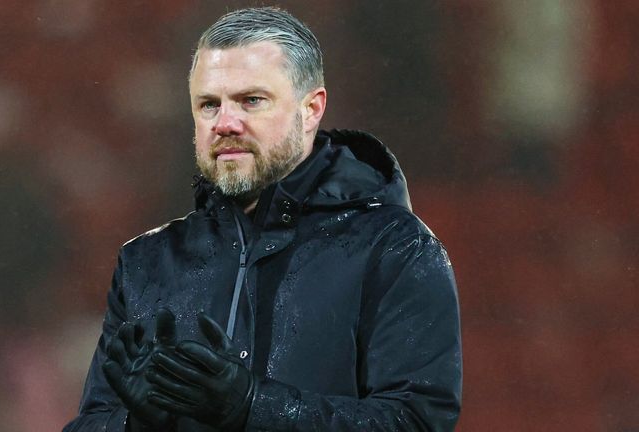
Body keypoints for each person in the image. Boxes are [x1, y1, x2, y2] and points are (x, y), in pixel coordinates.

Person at [63, 6, 462, 432]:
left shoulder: (394, 247)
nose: (225, 123)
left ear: (311, 109)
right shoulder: (146, 261)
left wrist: (254, 408)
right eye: (208, 105)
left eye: (251, 101)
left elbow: (416, 421)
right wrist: (136, 425)